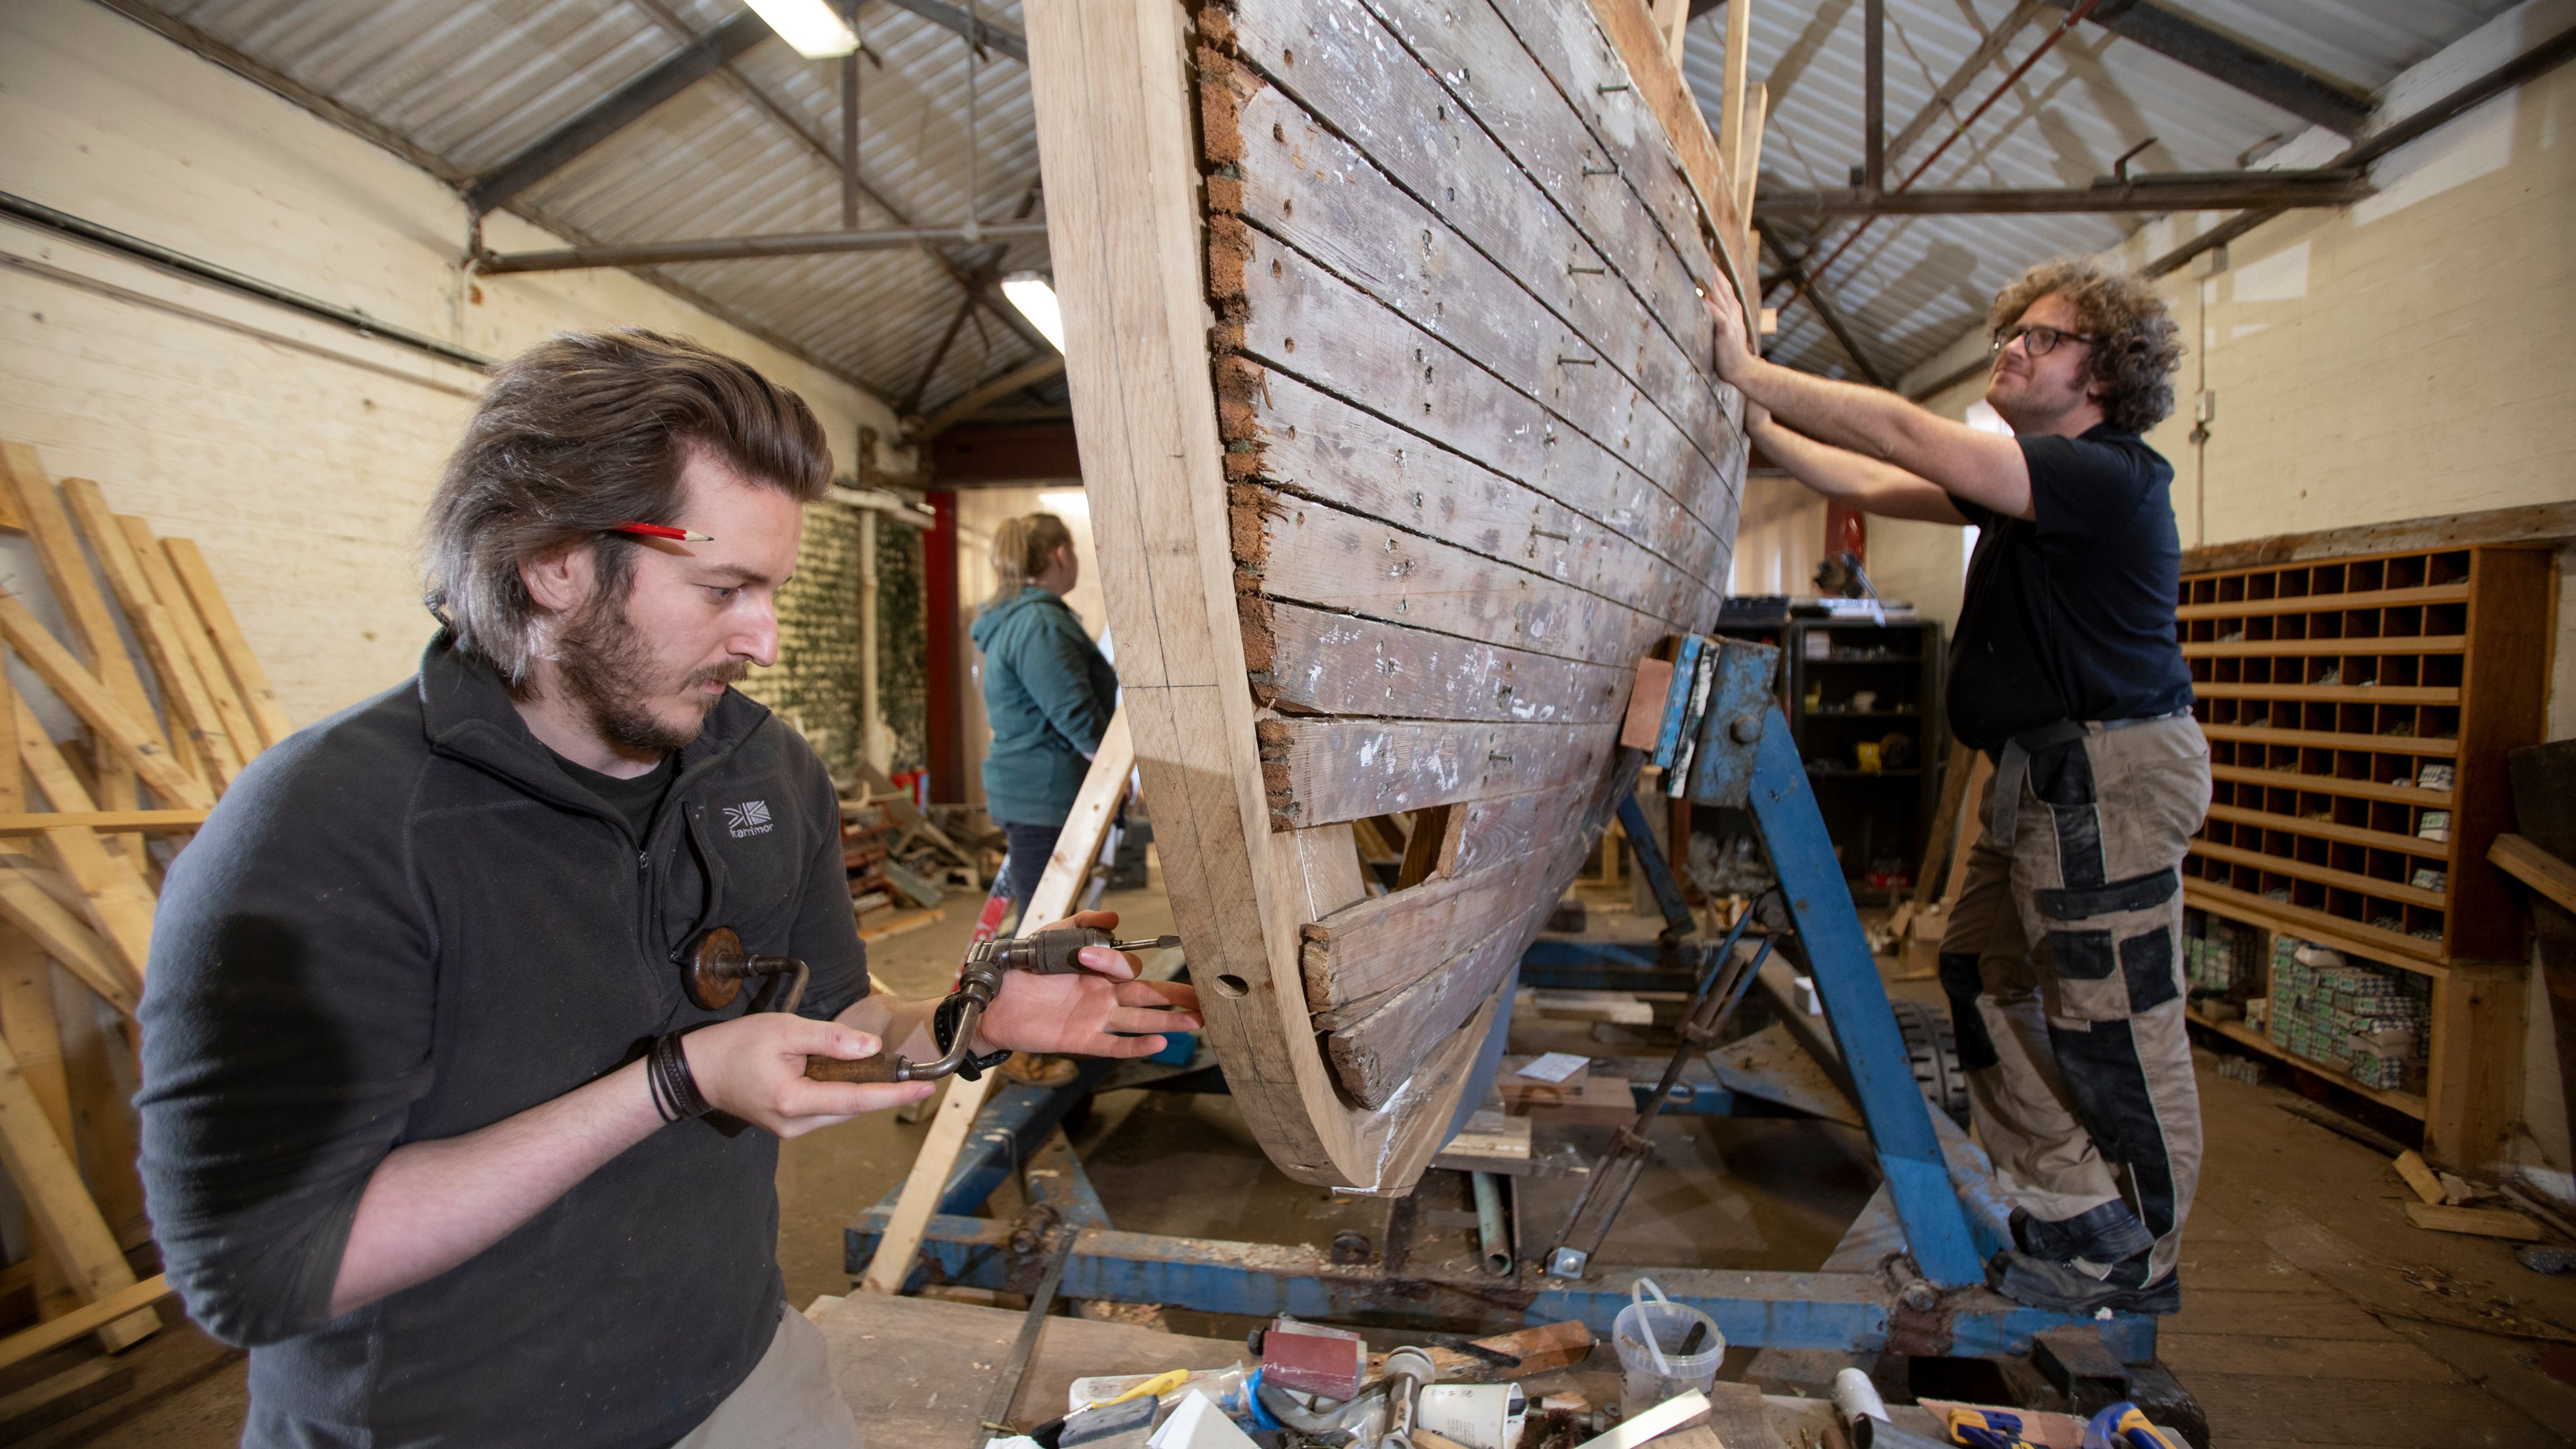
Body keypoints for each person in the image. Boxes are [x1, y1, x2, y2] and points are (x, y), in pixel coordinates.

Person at [137, 329, 1201, 1446]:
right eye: (723, 589)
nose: (764, 639)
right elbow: (255, 1270)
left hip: (734, 1374)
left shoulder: (763, 769)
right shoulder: (326, 831)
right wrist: (670, 1084)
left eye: (770, 590)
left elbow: (838, 1020)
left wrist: (967, 1022)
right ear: (556, 559)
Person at [1705, 259, 2203, 1315]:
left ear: (2104, 372)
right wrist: (1749, 414)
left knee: (2115, 1016)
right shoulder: (2030, 496)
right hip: (2042, 777)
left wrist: (1749, 366)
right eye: (2011, 332)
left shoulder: (2106, 475)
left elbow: (1902, 436)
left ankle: (2141, 1255)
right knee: (1980, 973)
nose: (2013, 348)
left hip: (2109, 777)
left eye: (2043, 337)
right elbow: (1859, 481)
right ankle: (2074, 1211)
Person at [969, 512, 1119, 915]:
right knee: (1046, 926)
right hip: (1045, 793)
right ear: (1061, 555)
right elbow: (1074, 714)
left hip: (1034, 791)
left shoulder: (1022, 616)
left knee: (1047, 916)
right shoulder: (1039, 623)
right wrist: (1114, 773)